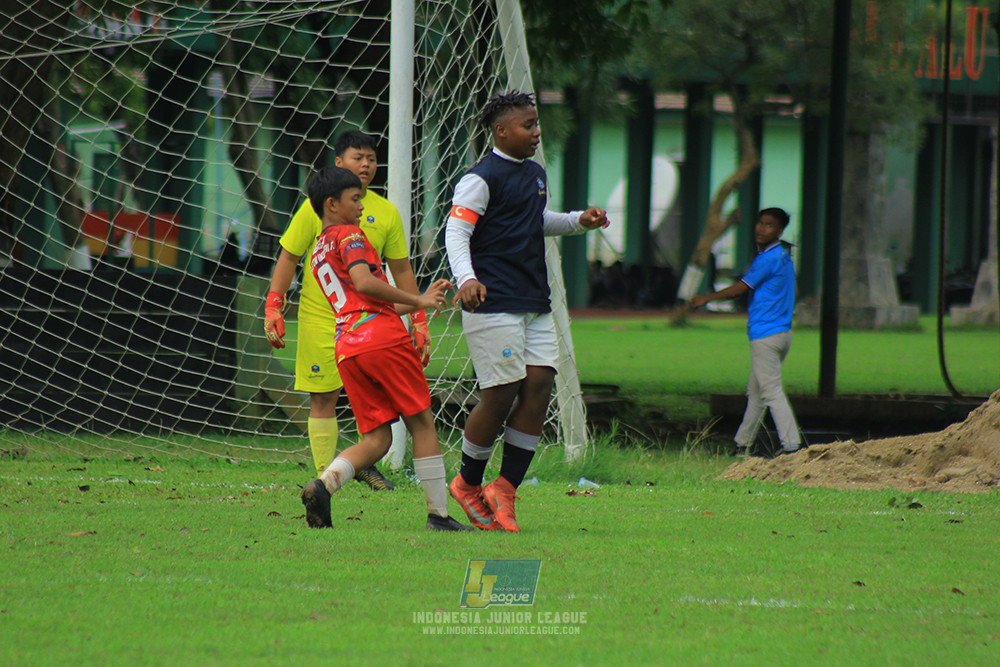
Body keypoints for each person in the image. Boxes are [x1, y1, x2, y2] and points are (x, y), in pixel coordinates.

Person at [444, 91, 610, 532]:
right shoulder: (479, 179)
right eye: (528, 125)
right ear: (501, 131)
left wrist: (578, 221)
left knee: (539, 386)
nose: (537, 132)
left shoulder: (535, 174)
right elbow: (457, 233)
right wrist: (466, 280)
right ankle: (466, 482)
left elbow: (532, 221)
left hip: (534, 301)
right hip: (492, 301)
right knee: (501, 391)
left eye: (537, 124)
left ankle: (506, 488)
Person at [298, 166, 470, 532]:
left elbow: (359, 301)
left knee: (378, 437)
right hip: (383, 340)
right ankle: (438, 516)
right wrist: (416, 296)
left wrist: (420, 303)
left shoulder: (317, 252)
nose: (362, 206)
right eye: (355, 199)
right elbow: (365, 282)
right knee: (423, 421)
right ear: (332, 203)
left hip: (348, 345)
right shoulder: (351, 235)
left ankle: (324, 484)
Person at [264, 131, 430, 490]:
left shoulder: (385, 212)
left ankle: (358, 463)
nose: (366, 164)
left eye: (371, 158)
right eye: (358, 157)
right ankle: (326, 475)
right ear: (339, 163)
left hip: (370, 322)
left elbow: (401, 269)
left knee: (374, 403)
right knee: (323, 398)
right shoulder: (323, 206)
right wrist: (273, 306)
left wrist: (419, 321)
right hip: (322, 319)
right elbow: (290, 256)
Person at [690, 207, 802, 457]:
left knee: (771, 391)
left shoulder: (768, 258)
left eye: (769, 225)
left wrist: (705, 298)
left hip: (766, 335)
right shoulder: (784, 255)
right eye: (760, 223)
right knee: (756, 393)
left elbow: (740, 288)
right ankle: (742, 444)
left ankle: (792, 446)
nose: (762, 228)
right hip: (782, 333)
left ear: (780, 230)